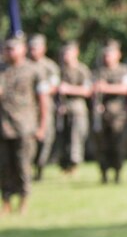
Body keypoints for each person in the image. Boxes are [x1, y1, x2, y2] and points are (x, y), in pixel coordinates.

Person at [0, 35, 49, 214]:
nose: (8, 51)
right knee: (4, 166)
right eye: (6, 48)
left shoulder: (33, 70)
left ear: (22, 50)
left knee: (23, 165)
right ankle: (5, 199)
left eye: (12, 48)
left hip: (24, 126)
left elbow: (43, 101)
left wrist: (42, 126)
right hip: (3, 126)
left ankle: (23, 199)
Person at [92, 39, 127, 184]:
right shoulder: (99, 71)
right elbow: (93, 89)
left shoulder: (124, 70)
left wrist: (105, 88)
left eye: (110, 54)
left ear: (118, 55)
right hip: (102, 115)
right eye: (105, 54)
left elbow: (125, 89)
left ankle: (117, 174)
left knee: (118, 145)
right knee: (102, 146)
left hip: (118, 115)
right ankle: (103, 174)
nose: (107, 57)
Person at [56, 40, 93, 176]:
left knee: (76, 138)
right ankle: (64, 166)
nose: (66, 55)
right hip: (63, 109)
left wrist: (68, 89)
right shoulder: (60, 70)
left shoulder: (82, 70)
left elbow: (87, 91)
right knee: (63, 139)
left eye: (69, 52)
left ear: (76, 53)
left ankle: (74, 165)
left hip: (77, 108)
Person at [26, 33, 59, 180]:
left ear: (43, 48)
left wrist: (42, 90)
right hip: (27, 110)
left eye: (36, 47)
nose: (33, 50)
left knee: (46, 139)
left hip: (45, 107)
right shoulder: (25, 65)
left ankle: (40, 167)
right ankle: (27, 168)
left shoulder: (50, 66)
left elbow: (54, 85)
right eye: (31, 47)